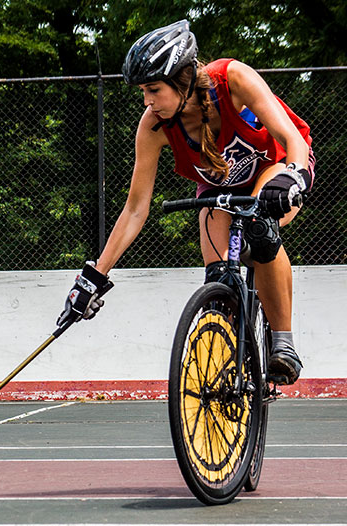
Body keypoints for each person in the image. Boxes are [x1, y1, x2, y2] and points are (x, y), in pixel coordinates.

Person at [58, 20, 312, 385]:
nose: (146, 101)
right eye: (143, 92)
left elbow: (291, 138)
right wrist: (94, 276)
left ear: (184, 80)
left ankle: (284, 345)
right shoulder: (154, 127)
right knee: (219, 280)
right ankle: (234, 361)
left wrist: (295, 174)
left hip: (278, 167)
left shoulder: (233, 79)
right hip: (217, 191)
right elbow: (135, 209)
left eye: (152, 90)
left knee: (259, 229)